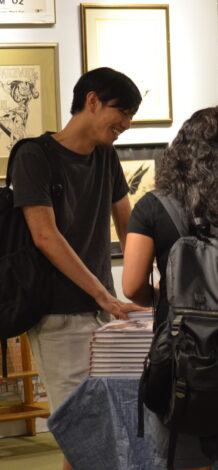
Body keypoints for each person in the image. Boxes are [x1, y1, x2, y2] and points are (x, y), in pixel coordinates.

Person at [122, 104, 218, 470]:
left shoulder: (151, 207)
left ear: (181, 150)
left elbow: (131, 287)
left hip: (177, 361)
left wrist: (164, 298)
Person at [9, 66, 145, 470]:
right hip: (57, 314)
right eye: (122, 112)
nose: (127, 123)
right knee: (83, 431)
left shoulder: (106, 156)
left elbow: (129, 224)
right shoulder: (35, 156)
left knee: (100, 430)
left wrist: (143, 286)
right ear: (91, 101)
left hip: (103, 314)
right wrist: (105, 294)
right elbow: (45, 236)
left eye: (132, 115)